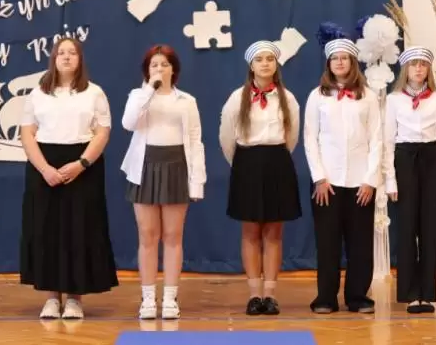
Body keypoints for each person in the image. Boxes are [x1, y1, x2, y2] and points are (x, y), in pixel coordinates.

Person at [19, 38, 118, 319]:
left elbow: (102, 132)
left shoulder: (94, 92)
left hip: (82, 166)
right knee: (47, 230)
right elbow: (27, 134)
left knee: (79, 229)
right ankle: (52, 297)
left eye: (72, 53)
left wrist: (81, 163)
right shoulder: (38, 93)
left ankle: (75, 298)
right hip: (45, 165)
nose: (66, 57)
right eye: (61, 52)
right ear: (53, 58)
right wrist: (44, 169)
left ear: (79, 59)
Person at [121, 44, 206, 320]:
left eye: (164, 64)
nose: (159, 69)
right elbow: (128, 123)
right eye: (154, 65)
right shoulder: (138, 95)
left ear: (173, 69)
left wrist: (197, 181)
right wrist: (149, 89)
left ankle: (170, 297)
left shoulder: (187, 101)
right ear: (147, 70)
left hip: (176, 167)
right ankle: (148, 298)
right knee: (147, 235)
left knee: (173, 235)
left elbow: (195, 140)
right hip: (144, 168)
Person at [219, 40, 302, 316]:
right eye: (259, 59)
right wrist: (243, 163)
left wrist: (275, 158)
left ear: (276, 64)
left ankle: (270, 294)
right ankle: (254, 294)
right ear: (251, 66)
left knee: (274, 232)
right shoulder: (237, 98)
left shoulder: (287, 98)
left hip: (277, 162)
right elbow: (226, 137)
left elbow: (292, 137)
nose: (265, 64)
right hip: (247, 164)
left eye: (270, 59)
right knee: (251, 231)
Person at [303, 36, 381, 314]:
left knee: (360, 243)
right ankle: (326, 297)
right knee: (328, 243)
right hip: (328, 182)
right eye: (335, 58)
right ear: (328, 63)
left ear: (352, 62)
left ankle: (358, 296)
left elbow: (376, 139)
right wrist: (319, 178)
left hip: (360, 182)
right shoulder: (317, 96)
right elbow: (310, 139)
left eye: (344, 58)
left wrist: (370, 180)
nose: (339, 62)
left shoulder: (368, 96)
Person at [383, 46, 436, 313]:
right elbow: (388, 141)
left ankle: (427, 293)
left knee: (428, 229)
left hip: (430, 160)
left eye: (423, 64)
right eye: (414, 64)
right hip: (404, 160)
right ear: (406, 69)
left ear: (429, 69)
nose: (419, 69)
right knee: (406, 228)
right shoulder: (393, 100)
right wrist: (390, 180)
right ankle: (410, 293)